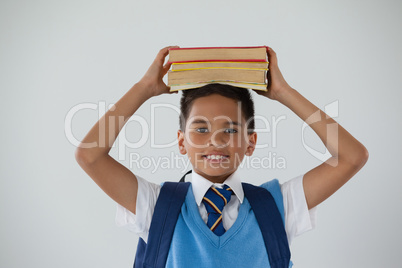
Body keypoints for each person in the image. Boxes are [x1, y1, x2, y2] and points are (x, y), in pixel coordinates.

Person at [75, 46, 369, 267]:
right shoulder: (156, 207)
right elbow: (90, 155)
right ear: (181, 142)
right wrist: (143, 89)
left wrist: (284, 92)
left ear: (250, 143)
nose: (215, 141)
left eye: (230, 130)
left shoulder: (277, 207)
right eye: (200, 129)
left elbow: (352, 156)